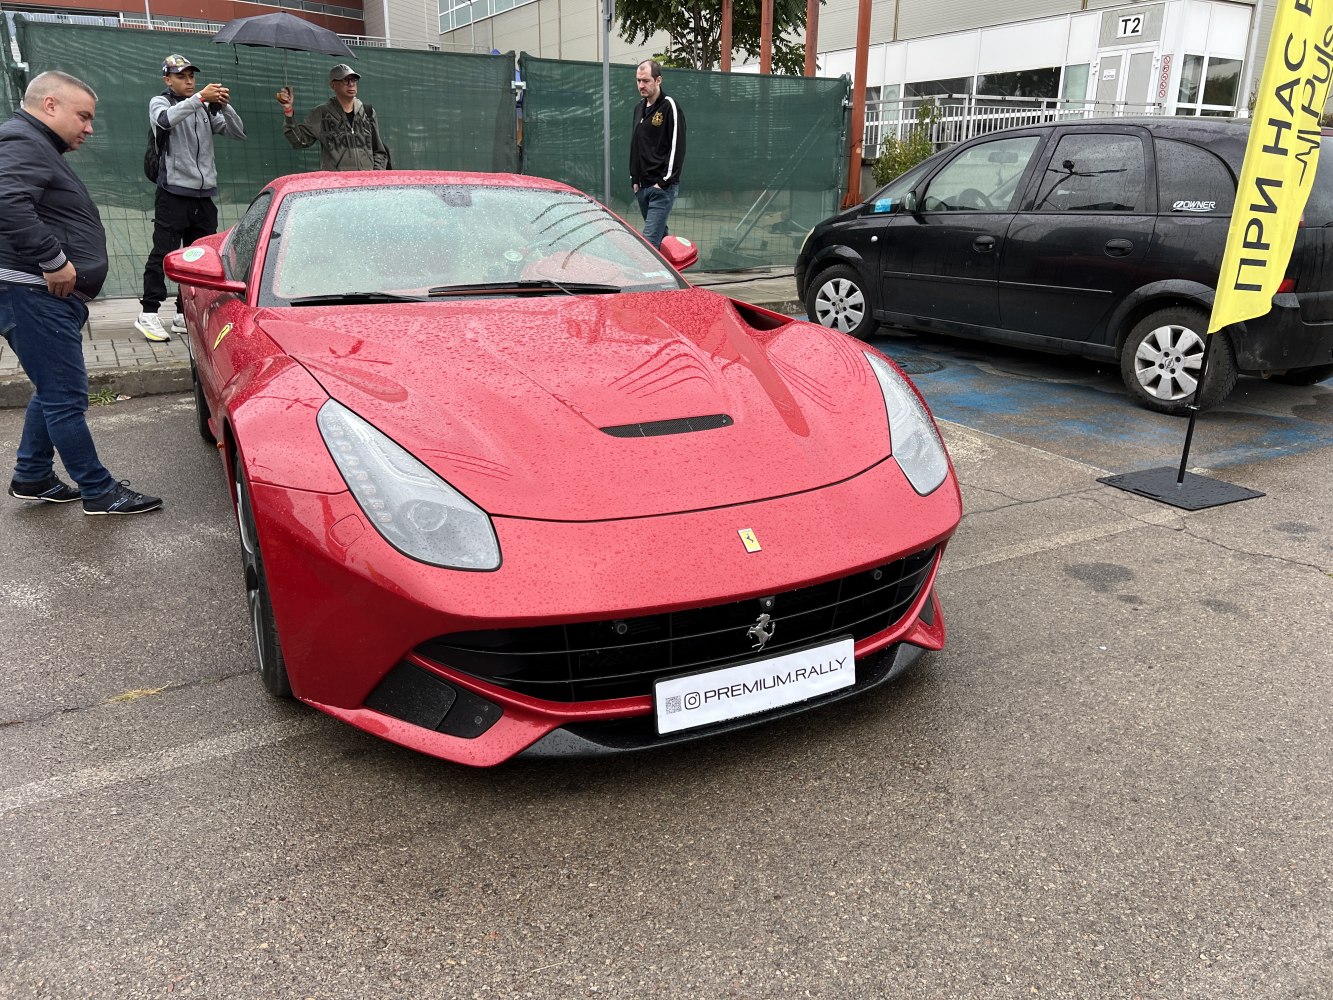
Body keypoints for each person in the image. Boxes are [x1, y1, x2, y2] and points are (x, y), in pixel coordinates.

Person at [0, 72, 162, 515]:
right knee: (66, 396)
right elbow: (7, 201)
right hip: (34, 291)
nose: (89, 128)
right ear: (50, 105)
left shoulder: (32, 144)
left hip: (39, 294)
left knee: (51, 389)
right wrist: (53, 260)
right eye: (83, 116)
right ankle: (99, 490)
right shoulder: (22, 141)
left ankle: (31, 476)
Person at [136, 53, 246, 344]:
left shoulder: (203, 109)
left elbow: (238, 132)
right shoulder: (161, 102)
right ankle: (148, 313)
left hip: (204, 196)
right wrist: (199, 97)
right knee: (163, 253)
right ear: (167, 79)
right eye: (181, 76)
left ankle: (184, 314)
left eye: (191, 76)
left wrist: (224, 105)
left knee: (199, 260)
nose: (188, 81)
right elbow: (164, 120)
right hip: (172, 193)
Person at [276, 64, 390, 172]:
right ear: (333, 85)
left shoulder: (368, 112)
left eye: (354, 80)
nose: (351, 84)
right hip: (336, 187)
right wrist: (288, 110)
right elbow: (299, 141)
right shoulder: (321, 113)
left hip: (365, 186)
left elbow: (379, 151)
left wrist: (374, 176)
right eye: (345, 80)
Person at [629, 59, 686, 249]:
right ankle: (671, 275)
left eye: (646, 81)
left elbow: (677, 146)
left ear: (658, 80)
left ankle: (648, 278)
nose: (641, 85)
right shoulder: (638, 108)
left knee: (649, 244)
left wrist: (663, 182)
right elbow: (636, 144)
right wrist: (634, 179)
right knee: (661, 239)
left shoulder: (670, 106)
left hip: (661, 188)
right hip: (642, 187)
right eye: (638, 81)